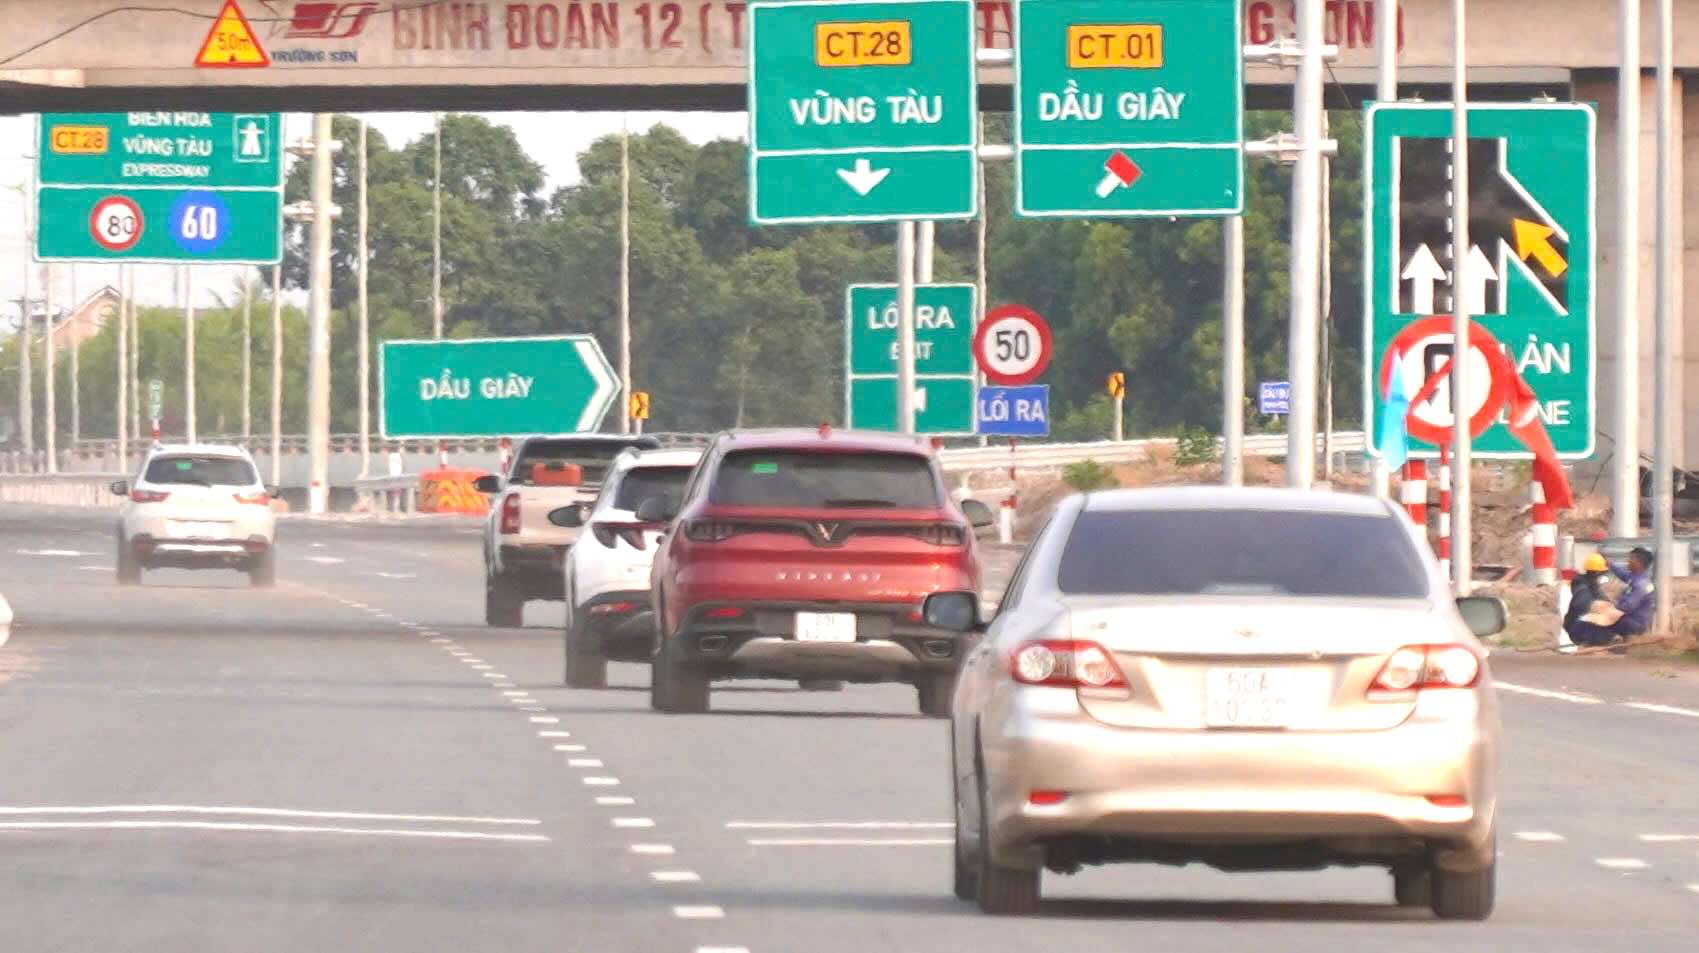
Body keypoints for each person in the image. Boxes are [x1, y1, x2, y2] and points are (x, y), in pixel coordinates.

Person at [1567, 547, 1656, 647]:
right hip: (1629, 618)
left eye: (1631, 558)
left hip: (1634, 623)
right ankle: (1596, 641)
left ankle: (1597, 644)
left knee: (1594, 622)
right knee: (1593, 617)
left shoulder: (1641, 584)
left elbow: (1628, 606)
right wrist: (1610, 564)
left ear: (1639, 563)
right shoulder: (1636, 577)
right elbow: (1622, 574)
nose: (1628, 561)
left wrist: (1609, 609)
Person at [1562, 553, 1610, 644]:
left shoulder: (1592, 584)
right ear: (1597, 573)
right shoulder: (1581, 587)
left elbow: (1603, 600)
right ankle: (1590, 644)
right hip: (1577, 628)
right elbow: (1584, 607)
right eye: (1603, 573)